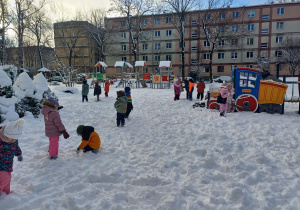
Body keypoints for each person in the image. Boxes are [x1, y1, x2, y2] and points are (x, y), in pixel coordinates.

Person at [0, 119, 24, 195]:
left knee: (8, 180)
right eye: (12, 138)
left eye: (15, 138)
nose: (14, 140)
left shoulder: (14, 140)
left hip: (8, 164)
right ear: (6, 134)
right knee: (4, 179)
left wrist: (19, 154)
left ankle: (5, 194)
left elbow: (16, 147)